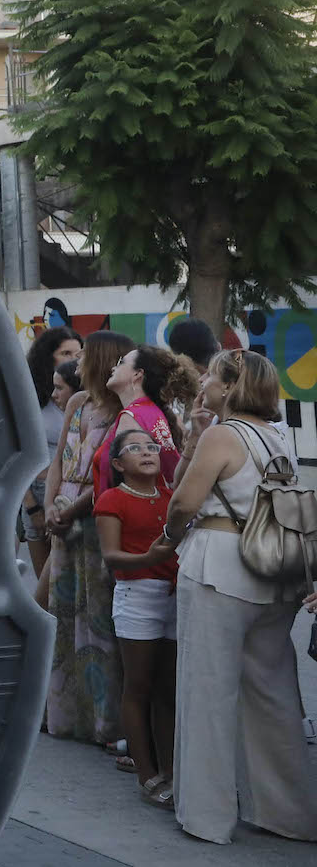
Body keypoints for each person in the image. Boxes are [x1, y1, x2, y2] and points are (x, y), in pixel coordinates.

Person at [162, 349, 317, 844]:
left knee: (207, 692)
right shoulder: (279, 438)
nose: (203, 380)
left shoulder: (221, 435)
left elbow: (184, 501)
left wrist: (170, 532)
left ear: (230, 387)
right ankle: (287, 812)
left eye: (211, 374)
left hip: (219, 567)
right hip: (275, 573)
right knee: (273, 695)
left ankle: (206, 817)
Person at [41, 329, 135, 748]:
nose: (77, 363)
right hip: (63, 516)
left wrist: (69, 510)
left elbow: (109, 478)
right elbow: (59, 460)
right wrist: (49, 507)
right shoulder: (77, 403)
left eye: (84, 356)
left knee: (97, 622)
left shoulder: (122, 415)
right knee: (63, 619)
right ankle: (64, 715)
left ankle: (105, 722)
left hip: (94, 522)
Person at [94, 428, 179, 806]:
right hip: (138, 594)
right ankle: (146, 774)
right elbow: (111, 555)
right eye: (134, 449)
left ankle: (172, 771)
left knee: (167, 689)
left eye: (151, 446)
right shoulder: (112, 499)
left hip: (174, 597)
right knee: (139, 685)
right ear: (118, 464)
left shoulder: (172, 497)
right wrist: (147, 560)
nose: (146, 452)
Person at [23, 326, 83, 580]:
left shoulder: (88, 398)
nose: (74, 359)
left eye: (78, 353)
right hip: (36, 493)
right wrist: (32, 508)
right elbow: (14, 457)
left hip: (75, 494)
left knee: (73, 584)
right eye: (65, 353)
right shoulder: (29, 398)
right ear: (48, 357)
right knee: (45, 589)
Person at [94, 346, 193, 493]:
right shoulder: (151, 411)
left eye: (121, 362)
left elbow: (126, 479)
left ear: (137, 375)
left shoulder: (132, 417)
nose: (114, 367)